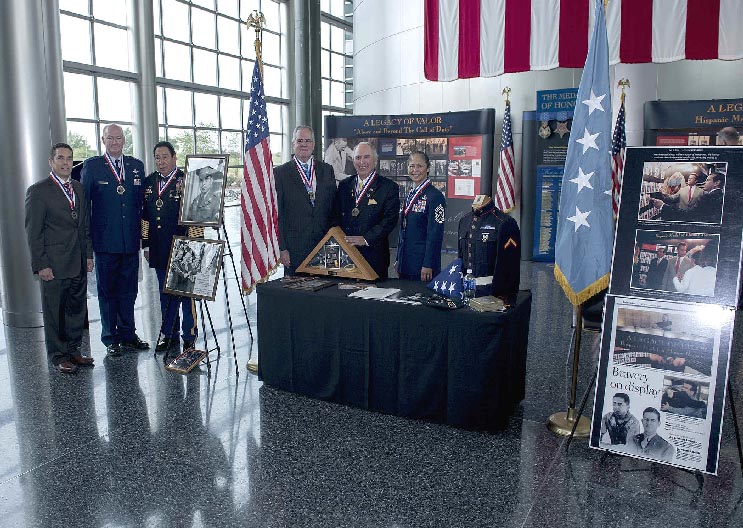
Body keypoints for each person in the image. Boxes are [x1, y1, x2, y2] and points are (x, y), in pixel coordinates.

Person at [25, 143, 95, 374]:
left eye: (69, 158)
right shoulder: (39, 191)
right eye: (61, 158)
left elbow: (84, 225)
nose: (66, 163)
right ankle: (58, 356)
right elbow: (34, 232)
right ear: (51, 162)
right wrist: (41, 264)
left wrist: (88, 255)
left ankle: (74, 350)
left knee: (76, 310)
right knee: (55, 312)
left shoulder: (78, 188)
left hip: (78, 261)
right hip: (53, 265)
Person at [81, 123, 149, 356]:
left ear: (124, 140)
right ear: (103, 140)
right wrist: (88, 249)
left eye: (118, 138)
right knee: (107, 292)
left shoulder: (136, 167)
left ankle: (128, 334)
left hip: (130, 242)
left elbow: (143, 206)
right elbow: (84, 209)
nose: (115, 142)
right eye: (110, 138)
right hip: (105, 244)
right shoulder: (92, 167)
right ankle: (111, 339)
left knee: (129, 291)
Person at [142, 141, 199, 352]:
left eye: (165, 156)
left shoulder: (187, 181)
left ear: (175, 157)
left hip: (183, 248)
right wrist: (146, 245)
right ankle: (169, 334)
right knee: (164, 293)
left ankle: (189, 335)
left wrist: (195, 246)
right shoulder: (149, 183)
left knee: (185, 294)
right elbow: (145, 217)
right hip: (158, 248)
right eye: (157, 157)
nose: (161, 161)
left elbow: (197, 217)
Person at [275, 125, 338, 275]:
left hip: (324, 244)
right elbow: (278, 215)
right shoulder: (280, 173)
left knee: (324, 292)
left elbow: (334, 207)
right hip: (295, 248)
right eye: (300, 140)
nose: (304, 144)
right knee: (296, 295)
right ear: (293, 144)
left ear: (314, 144)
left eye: (308, 141)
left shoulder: (326, 170)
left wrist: (335, 241)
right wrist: (282, 248)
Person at [336, 142, 400, 279]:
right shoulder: (344, 186)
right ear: (353, 161)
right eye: (358, 158)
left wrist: (365, 239)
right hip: (347, 255)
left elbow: (390, 220)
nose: (362, 162)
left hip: (374, 257)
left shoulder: (389, 187)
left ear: (375, 160)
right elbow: (336, 215)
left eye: (366, 157)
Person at [457, 195, 521, 302]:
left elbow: (509, 264)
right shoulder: (464, 220)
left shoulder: (505, 223)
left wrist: (503, 295)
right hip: (464, 291)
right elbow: (461, 257)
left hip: (490, 291)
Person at [395, 151, 446, 281]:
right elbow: (403, 231)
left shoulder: (436, 197)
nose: (415, 170)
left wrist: (428, 264)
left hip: (423, 267)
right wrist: (398, 259)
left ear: (428, 168)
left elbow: (435, 233)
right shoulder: (410, 195)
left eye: (419, 166)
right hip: (405, 263)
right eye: (412, 166)